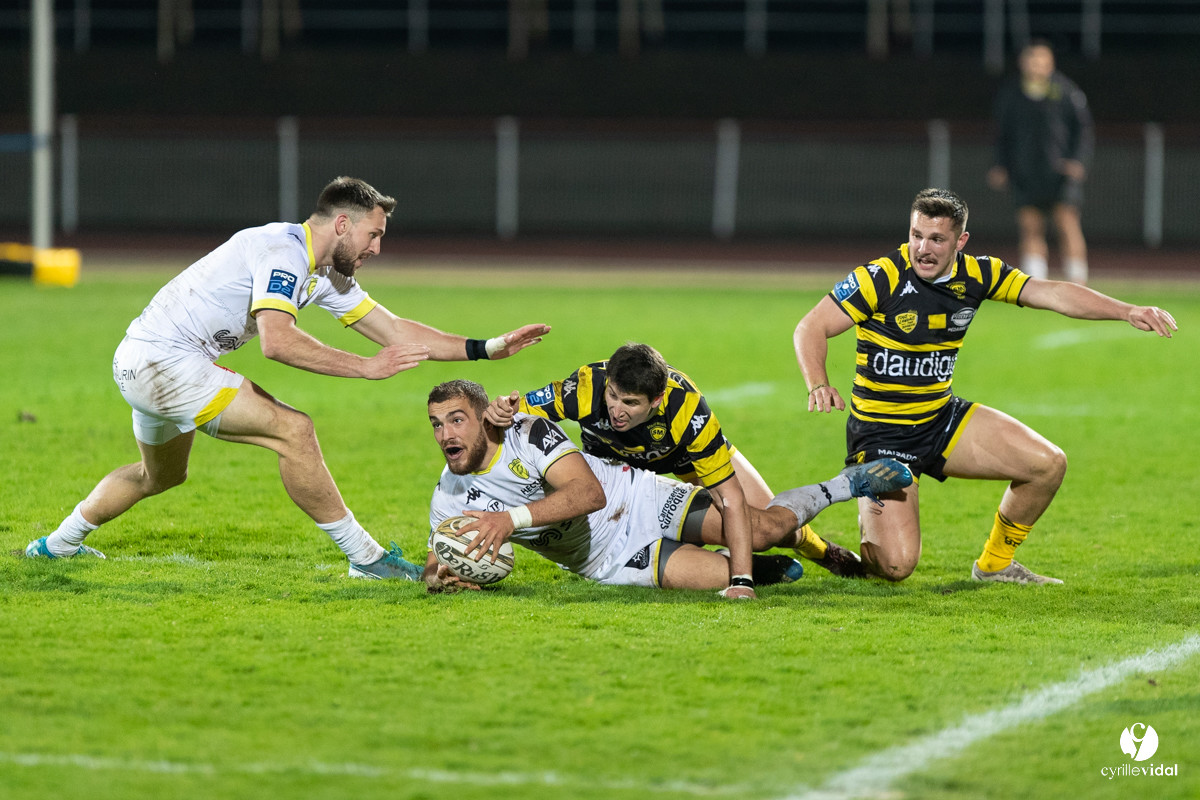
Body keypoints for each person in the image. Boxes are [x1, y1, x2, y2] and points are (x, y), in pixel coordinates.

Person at [26, 177, 551, 580]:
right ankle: (366, 558)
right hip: (166, 362)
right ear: (342, 225)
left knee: (159, 476)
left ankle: (55, 545)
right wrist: (364, 367)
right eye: (374, 234)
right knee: (295, 431)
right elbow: (276, 340)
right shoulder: (284, 253)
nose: (376, 248)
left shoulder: (324, 272)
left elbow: (394, 330)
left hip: (141, 359)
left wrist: (487, 348)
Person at [793, 188, 1176, 584]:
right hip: (881, 435)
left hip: (940, 419)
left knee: (1046, 465)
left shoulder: (978, 273)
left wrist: (1127, 310)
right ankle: (806, 539)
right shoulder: (881, 277)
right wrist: (817, 382)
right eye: (916, 235)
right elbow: (811, 327)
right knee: (894, 567)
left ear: (960, 242)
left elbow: (1052, 292)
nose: (922, 248)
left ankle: (994, 565)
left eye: (936, 239)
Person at [423, 380, 912, 598]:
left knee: (759, 530)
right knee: (720, 578)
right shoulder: (448, 495)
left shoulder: (527, 433)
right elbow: (438, 554)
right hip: (606, 561)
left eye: (457, 420)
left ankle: (841, 485)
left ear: (484, 414)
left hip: (635, 498)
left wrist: (510, 520)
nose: (446, 434)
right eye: (437, 425)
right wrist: (440, 576)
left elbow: (589, 494)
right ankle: (752, 570)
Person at [484, 343, 864, 581]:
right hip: (612, 474)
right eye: (614, 396)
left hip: (687, 460)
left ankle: (818, 549)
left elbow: (730, 498)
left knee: (764, 526)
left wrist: (742, 583)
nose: (616, 409)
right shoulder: (587, 386)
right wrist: (500, 411)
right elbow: (517, 417)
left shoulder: (687, 409)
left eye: (630, 403)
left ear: (657, 399)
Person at [988, 39, 1094, 284]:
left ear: (1051, 64)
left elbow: (1084, 130)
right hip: (1024, 172)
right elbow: (1001, 134)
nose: (1037, 66)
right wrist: (1000, 165)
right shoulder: (1011, 94)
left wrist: (1078, 161)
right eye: (1032, 60)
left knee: (1067, 225)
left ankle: (1078, 283)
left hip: (1060, 173)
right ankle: (1036, 285)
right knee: (1030, 227)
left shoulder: (1067, 91)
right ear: (1023, 63)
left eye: (1043, 61)